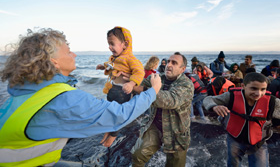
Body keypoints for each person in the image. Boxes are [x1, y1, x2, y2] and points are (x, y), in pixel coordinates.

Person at [0, 28, 162, 167]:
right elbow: (119, 115)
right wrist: (153, 91)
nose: (75, 54)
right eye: (68, 51)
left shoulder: (25, 90)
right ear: (54, 62)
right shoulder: (62, 98)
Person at [131, 52, 194, 167]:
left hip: (176, 132)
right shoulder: (158, 77)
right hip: (155, 125)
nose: (169, 65)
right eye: (168, 61)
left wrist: (147, 89)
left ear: (182, 69)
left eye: (174, 63)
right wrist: (128, 78)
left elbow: (170, 100)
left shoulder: (186, 84)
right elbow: (140, 82)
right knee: (138, 155)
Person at [203, 72, 280, 167]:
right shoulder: (231, 96)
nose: (258, 93)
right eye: (253, 88)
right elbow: (208, 99)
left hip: (258, 142)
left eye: (263, 89)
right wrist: (214, 106)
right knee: (233, 164)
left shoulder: (272, 102)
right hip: (235, 139)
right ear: (243, 86)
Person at [96, 26, 145, 147]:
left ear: (125, 44)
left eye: (112, 44)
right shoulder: (115, 58)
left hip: (123, 91)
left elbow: (140, 72)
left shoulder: (130, 59)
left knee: (118, 115)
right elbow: (111, 65)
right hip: (112, 89)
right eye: (108, 44)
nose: (109, 47)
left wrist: (131, 83)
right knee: (110, 110)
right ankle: (108, 130)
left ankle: (112, 137)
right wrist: (103, 66)